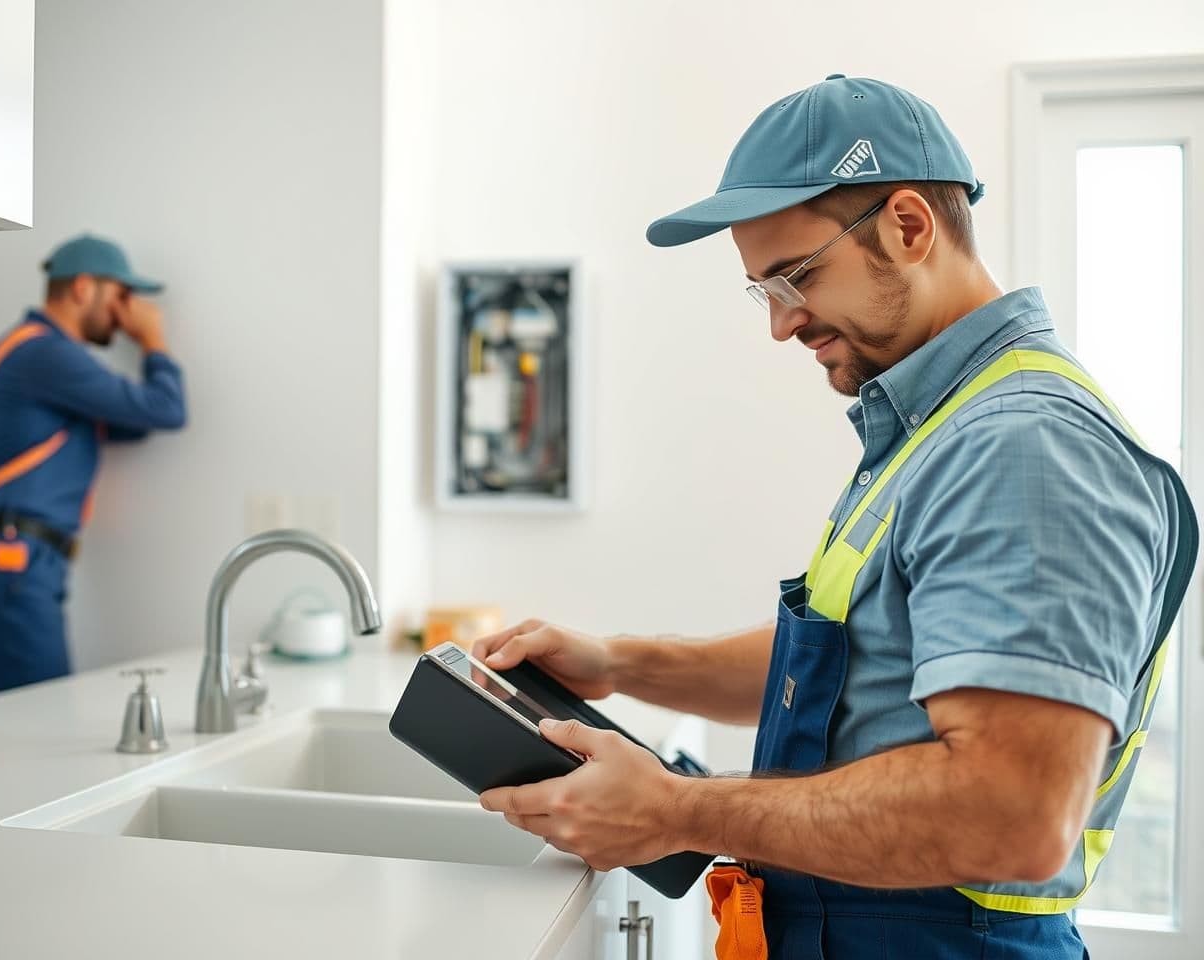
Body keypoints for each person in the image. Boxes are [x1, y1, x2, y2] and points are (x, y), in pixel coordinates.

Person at [473, 74, 1197, 959]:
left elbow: (1015, 815)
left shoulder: (1025, 447)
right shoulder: (939, 428)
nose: (782, 325)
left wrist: (675, 810)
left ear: (909, 225)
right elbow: (851, 667)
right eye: (763, 290)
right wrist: (621, 664)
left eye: (799, 275)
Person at [0, 234, 187, 697]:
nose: (124, 312)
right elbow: (165, 409)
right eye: (121, 296)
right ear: (83, 288)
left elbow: (136, 423)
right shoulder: (48, 354)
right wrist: (153, 340)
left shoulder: (40, 357)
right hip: (8, 562)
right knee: (44, 723)